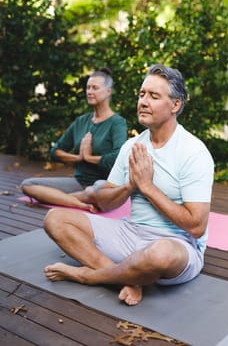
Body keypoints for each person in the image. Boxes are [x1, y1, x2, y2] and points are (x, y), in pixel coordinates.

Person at [43, 64, 214, 306]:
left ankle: (88, 276)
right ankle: (125, 278)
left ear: (175, 105)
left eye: (154, 96)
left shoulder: (193, 152)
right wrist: (129, 187)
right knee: (55, 219)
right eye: (142, 94)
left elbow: (196, 226)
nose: (143, 101)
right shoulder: (131, 147)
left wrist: (148, 188)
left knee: (160, 254)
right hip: (130, 233)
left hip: (176, 244)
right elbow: (104, 203)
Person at [21, 68, 127, 212]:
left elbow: (118, 158)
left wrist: (89, 157)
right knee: (28, 185)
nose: (89, 91)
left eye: (95, 88)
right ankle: (80, 203)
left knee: (93, 192)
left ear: (108, 91)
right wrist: (78, 157)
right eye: (88, 87)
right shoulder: (81, 121)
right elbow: (55, 151)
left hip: (104, 184)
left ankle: (56, 197)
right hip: (78, 183)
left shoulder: (117, 122)